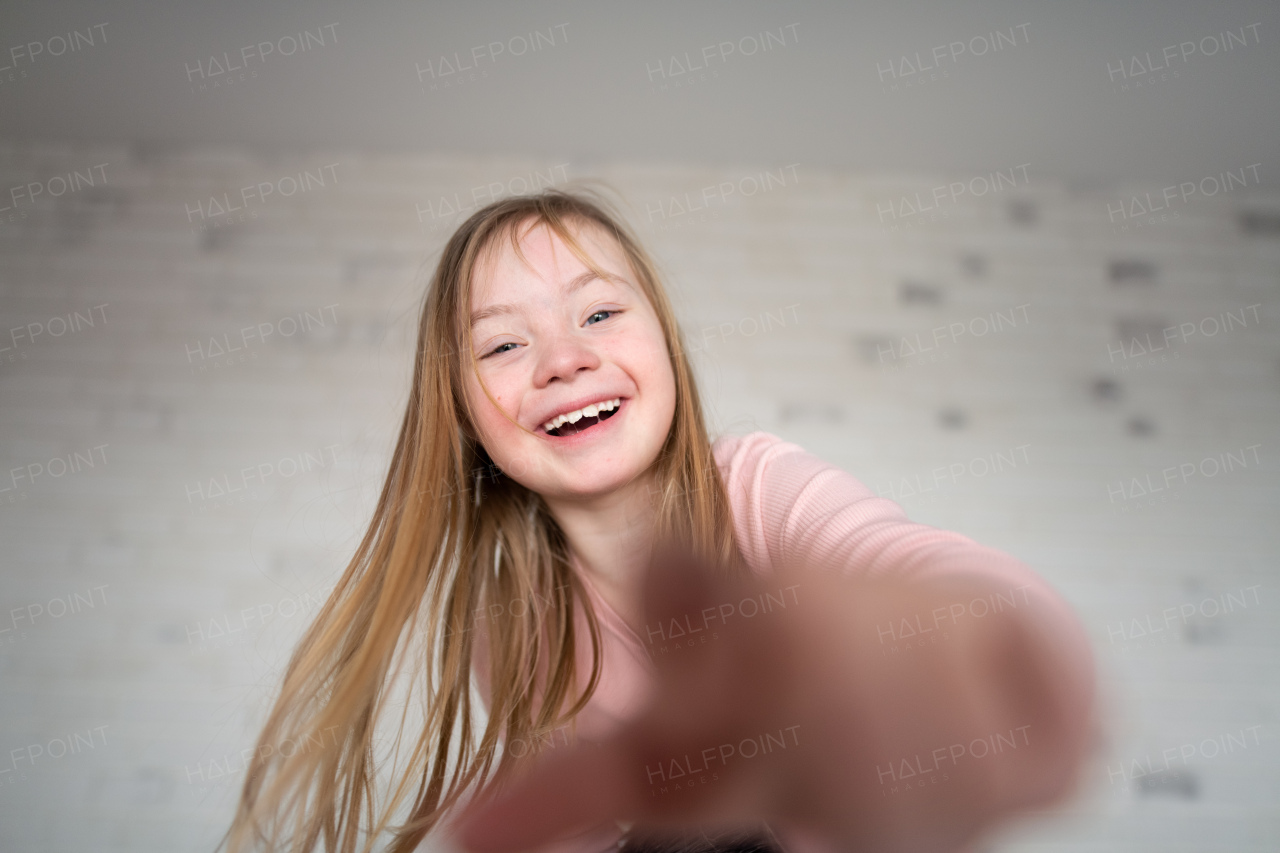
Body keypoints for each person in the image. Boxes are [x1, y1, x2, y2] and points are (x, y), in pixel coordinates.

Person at [219, 187, 1097, 853]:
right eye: (502, 344)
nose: (565, 359)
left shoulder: (753, 485)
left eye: (600, 313)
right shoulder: (511, 629)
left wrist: (956, 643)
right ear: (462, 413)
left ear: (666, 345)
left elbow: (923, 571)